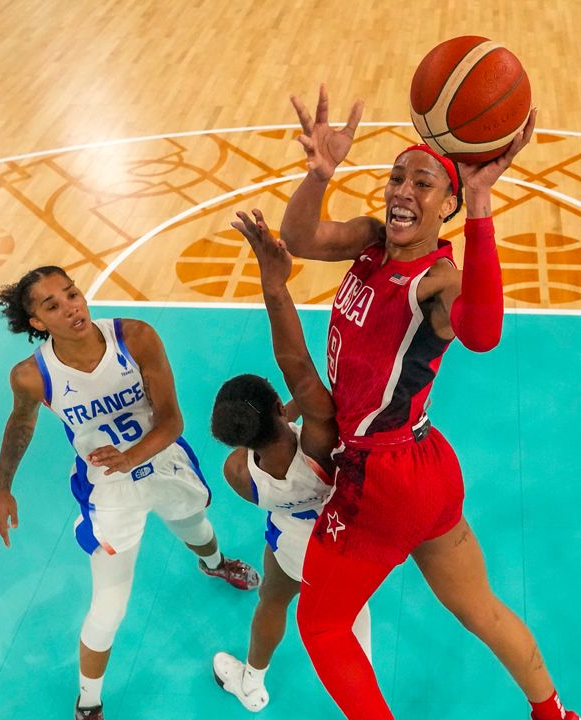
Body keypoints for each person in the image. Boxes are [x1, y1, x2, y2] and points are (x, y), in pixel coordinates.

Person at [235, 83, 580, 720]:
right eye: (397, 177)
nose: (402, 191)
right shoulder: (370, 240)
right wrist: (319, 174)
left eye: (423, 185)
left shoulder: (439, 279)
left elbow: (483, 333)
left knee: (322, 626)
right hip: (426, 468)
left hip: (381, 480)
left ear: (446, 205)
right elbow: (302, 235)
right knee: (481, 608)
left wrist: (483, 200)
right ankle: (555, 712)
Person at [0, 265, 261, 720]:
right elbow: (20, 424)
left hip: (163, 461)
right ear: (37, 323)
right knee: (109, 606)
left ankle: (214, 565)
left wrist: (131, 457)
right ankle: (89, 703)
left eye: (71, 294)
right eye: (52, 305)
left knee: (198, 527)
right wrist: (2, 487)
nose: (70, 307)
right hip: (107, 492)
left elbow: (173, 421)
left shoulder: (134, 337)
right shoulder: (31, 376)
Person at [206, 227, 373, 711]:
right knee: (352, 634)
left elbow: (274, 427)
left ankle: (251, 683)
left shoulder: (237, 471)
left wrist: (283, 414)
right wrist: (275, 285)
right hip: (343, 539)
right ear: (279, 408)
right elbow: (301, 373)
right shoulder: (319, 440)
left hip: (289, 542)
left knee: (273, 602)